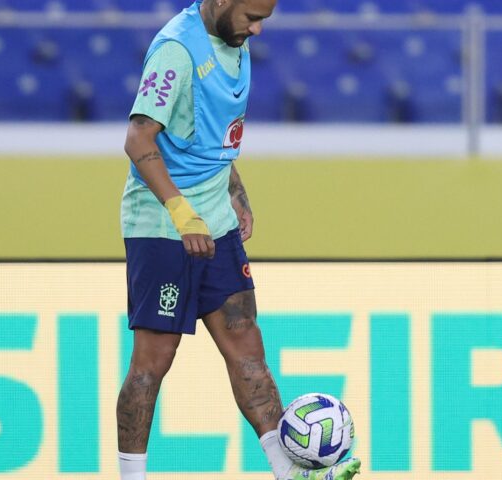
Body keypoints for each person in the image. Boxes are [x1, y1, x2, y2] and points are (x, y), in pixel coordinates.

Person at [116, 1, 361, 479]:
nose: (259, 28)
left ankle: (293, 473)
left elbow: (210, 136)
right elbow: (138, 139)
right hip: (165, 230)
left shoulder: (234, 40)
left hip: (217, 224)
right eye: (251, 16)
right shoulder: (176, 51)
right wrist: (182, 213)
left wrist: (235, 190)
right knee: (153, 360)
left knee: (246, 345)